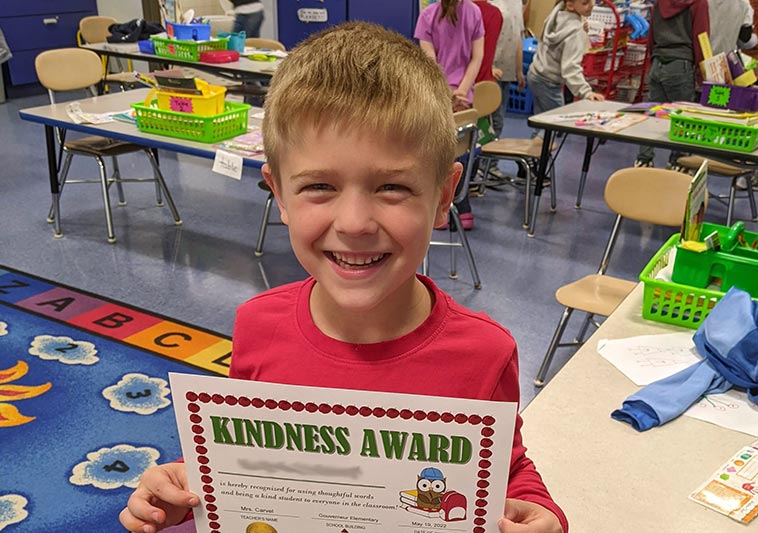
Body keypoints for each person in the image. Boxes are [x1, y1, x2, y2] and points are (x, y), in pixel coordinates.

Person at [118, 21, 568, 533]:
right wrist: (185, 489)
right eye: (320, 186)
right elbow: (244, 463)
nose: (354, 223)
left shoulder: (484, 353)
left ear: (444, 197)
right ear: (279, 194)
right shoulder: (257, 325)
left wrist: (542, 514)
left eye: (392, 187)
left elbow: (505, 473)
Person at [415, 0, 485, 229]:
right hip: (464, 99)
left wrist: (447, 94)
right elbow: (477, 57)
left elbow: (430, 63)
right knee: (465, 148)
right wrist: (463, 90)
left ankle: (440, 207)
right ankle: (462, 206)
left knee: (437, 151)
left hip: (439, 96)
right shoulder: (474, 11)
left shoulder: (427, 15)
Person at [633, 0, 709, 168]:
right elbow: (700, 37)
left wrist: (654, 58)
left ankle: (644, 159)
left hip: (658, 60)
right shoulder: (699, 3)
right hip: (681, 63)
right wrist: (701, 71)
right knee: (683, 117)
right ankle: (678, 162)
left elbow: (651, 33)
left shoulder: (660, 2)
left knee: (653, 113)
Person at [527, 0, 605, 139]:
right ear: (570, 5)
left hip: (536, 73)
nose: (591, 5)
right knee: (554, 125)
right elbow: (570, 67)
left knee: (541, 123)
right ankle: (539, 156)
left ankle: (536, 157)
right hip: (549, 82)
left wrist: (582, 24)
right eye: (585, 3)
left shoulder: (558, 11)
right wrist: (586, 92)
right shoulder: (575, 31)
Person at [490, 0, 527, 140]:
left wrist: (519, 71)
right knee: (491, 121)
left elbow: (517, 36)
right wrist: (488, 67)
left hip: (507, 71)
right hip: (492, 71)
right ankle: (484, 161)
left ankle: (489, 161)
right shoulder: (490, 3)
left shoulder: (516, 3)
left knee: (498, 121)